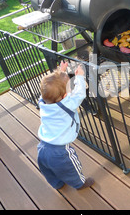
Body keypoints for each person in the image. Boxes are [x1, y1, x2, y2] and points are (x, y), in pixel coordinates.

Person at [37, 61, 94, 190]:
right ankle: (80, 184)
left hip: (42, 148)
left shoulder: (43, 102)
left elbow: (47, 90)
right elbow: (80, 94)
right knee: (71, 167)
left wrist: (60, 72)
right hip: (59, 150)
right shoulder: (65, 105)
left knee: (48, 171)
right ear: (64, 96)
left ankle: (57, 184)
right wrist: (79, 77)